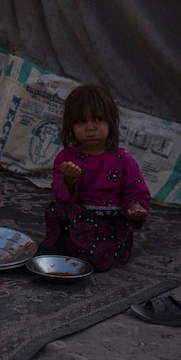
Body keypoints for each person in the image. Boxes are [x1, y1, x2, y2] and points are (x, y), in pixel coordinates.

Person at [41, 84, 151, 272]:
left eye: (98, 120)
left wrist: (135, 208)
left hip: (109, 226)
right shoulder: (66, 158)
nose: (90, 128)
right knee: (55, 209)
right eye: (82, 122)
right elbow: (61, 197)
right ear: (71, 126)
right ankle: (67, 250)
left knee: (97, 257)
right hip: (79, 221)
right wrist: (69, 180)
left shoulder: (122, 159)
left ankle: (87, 255)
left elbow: (136, 191)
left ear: (110, 122)